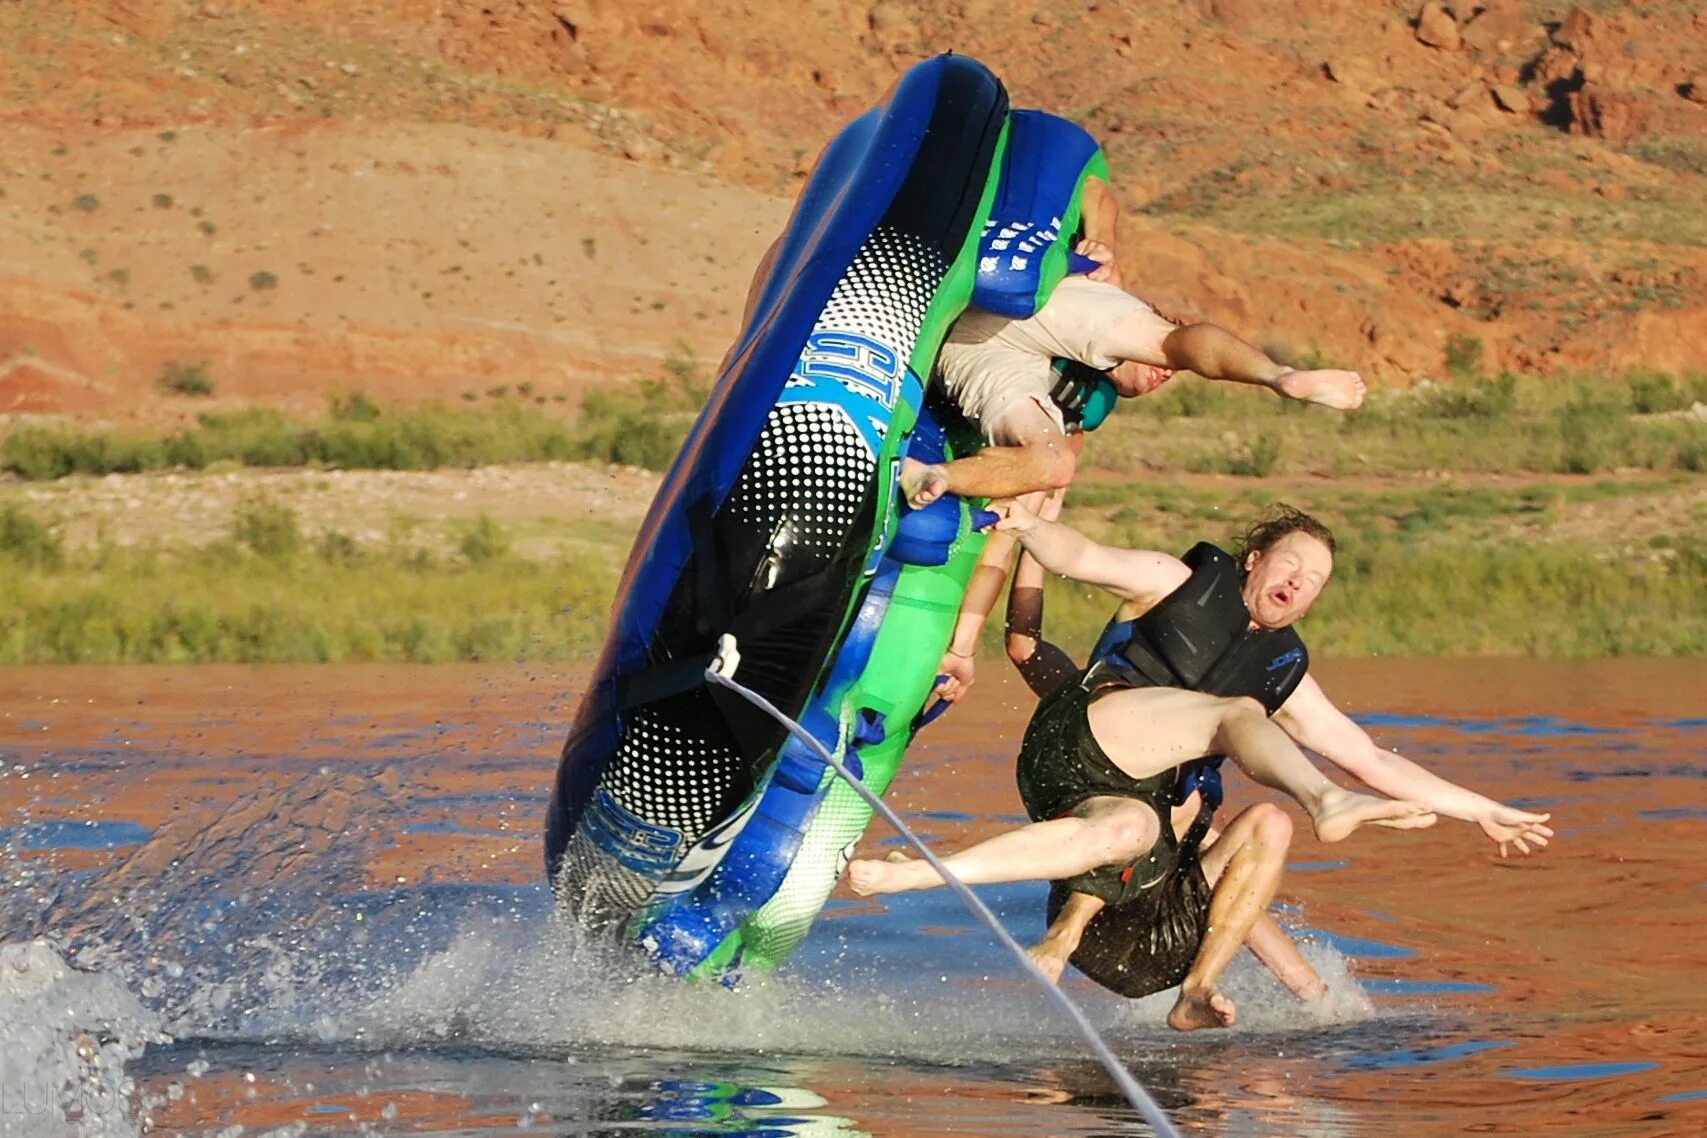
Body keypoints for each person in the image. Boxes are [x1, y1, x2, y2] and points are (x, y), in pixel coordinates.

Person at [849, 502, 1554, 1030]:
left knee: (1223, 826)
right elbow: (1080, 554)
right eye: (1290, 566)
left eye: (1314, 582)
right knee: (1234, 720)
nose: (1299, 584)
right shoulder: (1172, 580)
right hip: (1080, 751)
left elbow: (1367, 756)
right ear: (1253, 558)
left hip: (1140, 903)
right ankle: (1324, 801)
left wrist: (1479, 809)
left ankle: (1193, 996)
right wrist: (1029, 522)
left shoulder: (1285, 673)